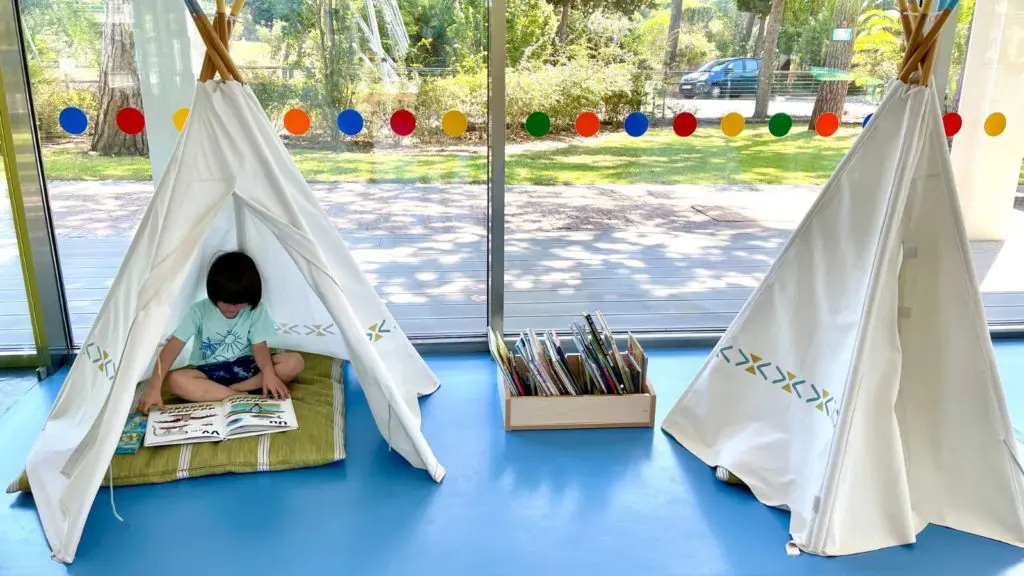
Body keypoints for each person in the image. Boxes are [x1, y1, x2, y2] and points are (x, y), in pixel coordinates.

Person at [137, 251, 304, 414]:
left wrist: (268, 374)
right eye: (225, 302)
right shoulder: (199, 311)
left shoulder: (256, 310)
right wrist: (154, 386)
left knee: (295, 362)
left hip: (249, 367)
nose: (231, 308)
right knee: (175, 381)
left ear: (251, 297)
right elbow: (172, 347)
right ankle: (236, 396)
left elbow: (260, 347)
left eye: (239, 303)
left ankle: (232, 391)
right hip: (210, 372)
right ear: (213, 294)